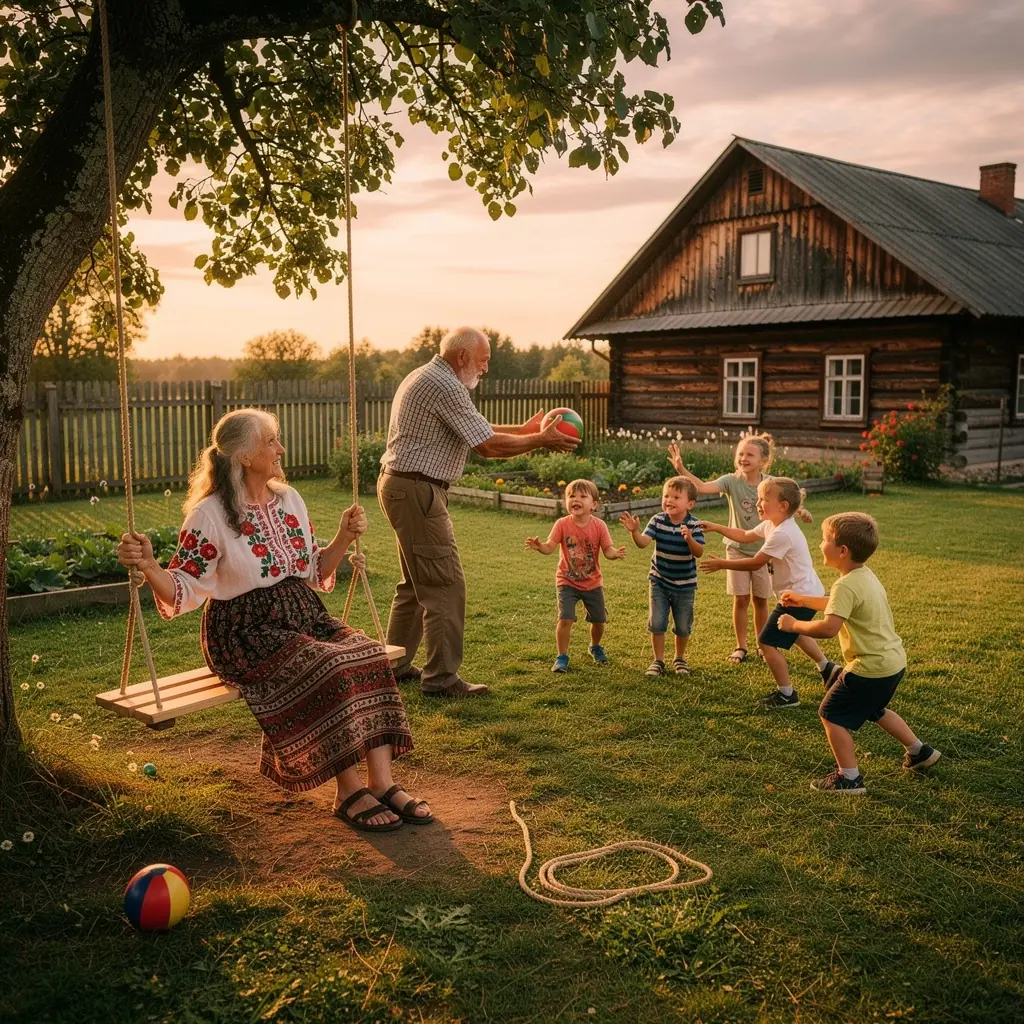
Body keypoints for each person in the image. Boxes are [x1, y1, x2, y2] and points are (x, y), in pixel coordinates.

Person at [117, 408, 431, 835]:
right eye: (270, 441)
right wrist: (150, 566)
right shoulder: (210, 515)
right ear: (245, 456)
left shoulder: (289, 500)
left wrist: (341, 536)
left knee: (369, 654)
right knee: (331, 665)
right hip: (243, 631)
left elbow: (314, 572)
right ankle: (348, 790)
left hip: (302, 614)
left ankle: (382, 782)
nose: (280, 448)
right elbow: (184, 589)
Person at [377, 326, 579, 698]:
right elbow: (486, 446)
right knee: (444, 586)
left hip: (402, 486)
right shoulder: (445, 384)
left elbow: (473, 428)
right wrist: (541, 439)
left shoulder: (428, 375)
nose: (486, 367)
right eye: (484, 359)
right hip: (417, 490)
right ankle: (441, 680)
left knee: (416, 585)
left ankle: (395, 665)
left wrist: (522, 430)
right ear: (464, 357)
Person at [778, 512, 941, 794]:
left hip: (869, 668)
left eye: (824, 540)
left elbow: (829, 627)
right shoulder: (863, 576)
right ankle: (919, 752)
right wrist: (803, 598)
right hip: (892, 663)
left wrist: (794, 624)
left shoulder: (846, 584)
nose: (819, 545)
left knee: (830, 714)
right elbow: (838, 603)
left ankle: (849, 778)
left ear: (842, 551)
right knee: (874, 709)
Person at [668, 431, 810, 665]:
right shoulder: (731, 481)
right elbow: (702, 487)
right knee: (741, 600)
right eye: (740, 453)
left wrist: (801, 511)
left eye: (750, 455)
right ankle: (741, 646)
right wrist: (681, 469)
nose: (743, 458)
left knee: (761, 600)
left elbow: (787, 502)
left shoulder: (770, 483)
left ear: (763, 460)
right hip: (736, 548)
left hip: (765, 551)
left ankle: (763, 645)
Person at [700, 478, 838, 708]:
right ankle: (827, 668)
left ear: (783, 506)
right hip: (805, 592)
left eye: (764, 499)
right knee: (795, 630)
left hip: (799, 597)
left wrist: (723, 564)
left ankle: (787, 695)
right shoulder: (772, 525)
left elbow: (756, 563)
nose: (758, 503)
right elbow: (745, 535)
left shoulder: (782, 533)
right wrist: (716, 527)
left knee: (765, 642)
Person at [524, 478, 627, 673]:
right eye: (571, 496)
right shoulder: (562, 524)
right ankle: (562, 656)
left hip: (592, 582)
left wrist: (616, 554)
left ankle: (595, 646)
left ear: (594, 504)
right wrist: (539, 547)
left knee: (599, 620)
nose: (575, 499)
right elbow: (549, 547)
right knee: (566, 618)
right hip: (567, 580)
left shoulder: (599, 526)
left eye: (582, 496)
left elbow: (608, 550)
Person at [619, 477, 705, 677]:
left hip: (684, 585)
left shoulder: (694, 524)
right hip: (659, 580)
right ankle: (658, 661)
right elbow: (643, 543)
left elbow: (698, 552)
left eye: (676, 496)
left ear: (690, 504)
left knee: (683, 625)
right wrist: (634, 532)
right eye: (666, 495)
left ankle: (679, 658)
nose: (669, 500)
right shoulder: (658, 520)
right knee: (657, 622)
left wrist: (689, 538)